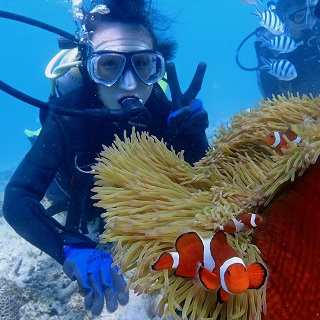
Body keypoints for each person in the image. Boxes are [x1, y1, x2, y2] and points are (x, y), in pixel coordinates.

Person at [2, 0, 209, 316]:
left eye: (143, 64)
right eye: (109, 65)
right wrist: (68, 246)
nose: (129, 84)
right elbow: (17, 199)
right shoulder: (67, 117)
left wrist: (194, 137)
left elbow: (203, 185)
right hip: (73, 187)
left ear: (158, 65)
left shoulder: (163, 108)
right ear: (88, 66)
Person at [254, 0, 320, 98]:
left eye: (313, 13)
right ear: (284, 17)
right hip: (296, 108)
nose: (309, 22)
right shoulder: (272, 50)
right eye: (300, 16)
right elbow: (271, 97)